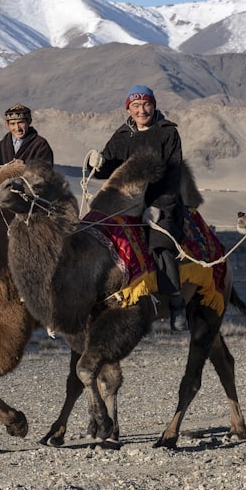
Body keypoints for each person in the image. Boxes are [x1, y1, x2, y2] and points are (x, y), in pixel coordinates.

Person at [87, 85, 188, 331]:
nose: (142, 110)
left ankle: (176, 303)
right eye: (136, 106)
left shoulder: (167, 134)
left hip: (159, 201)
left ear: (154, 106)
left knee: (159, 243)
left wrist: (157, 207)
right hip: (123, 203)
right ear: (128, 109)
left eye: (146, 105)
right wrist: (97, 163)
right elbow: (108, 167)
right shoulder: (122, 135)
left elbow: (173, 175)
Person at [0, 103, 54, 189]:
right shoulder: (0, 147)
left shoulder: (40, 145)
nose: (17, 128)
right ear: (7, 125)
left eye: (21, 123)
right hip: (3, 194)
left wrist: (25, 167)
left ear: (29, 122)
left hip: (29, 195)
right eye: (13, 124)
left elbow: (46, 172)